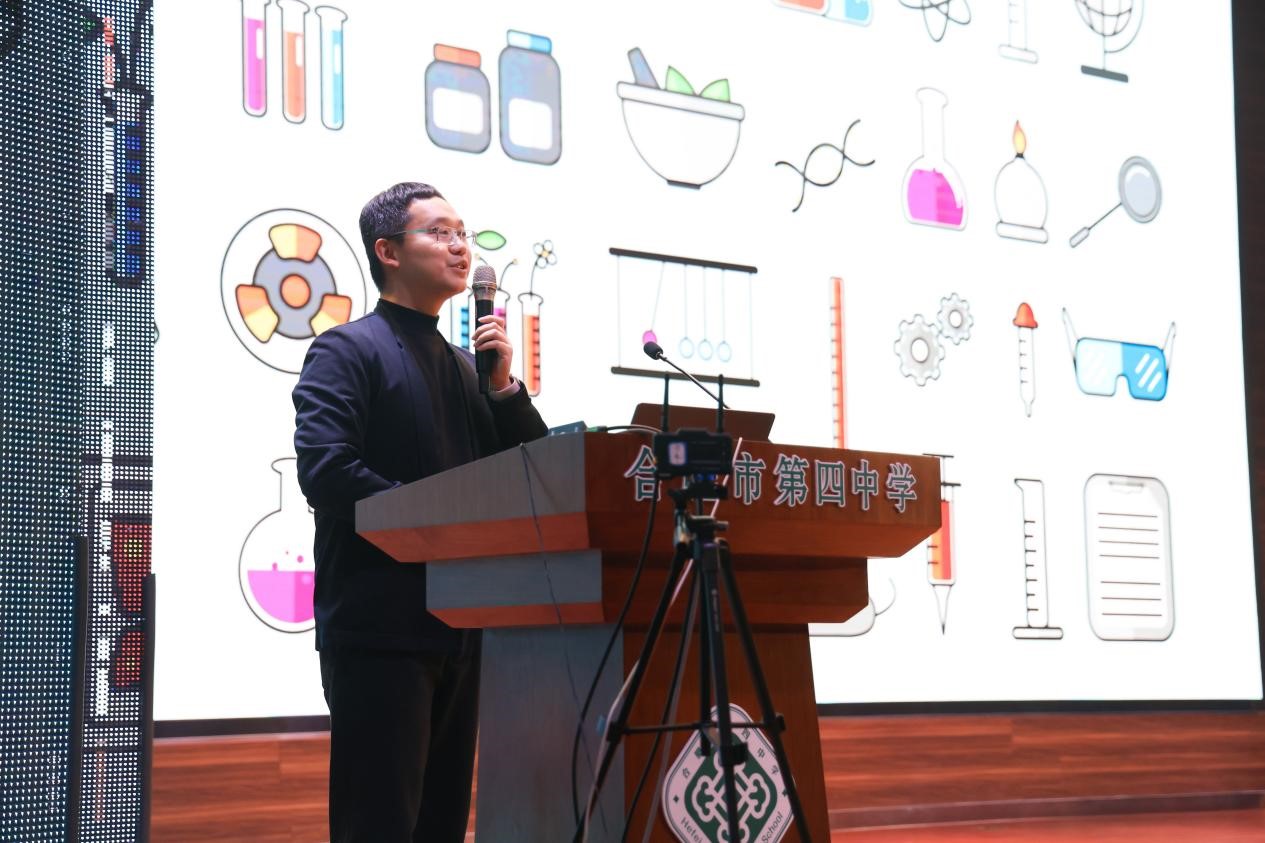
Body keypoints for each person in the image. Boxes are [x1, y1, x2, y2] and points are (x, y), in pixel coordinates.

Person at [292, 182, 548, 842]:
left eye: (463, 232)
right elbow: (327, 471)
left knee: (441, 826)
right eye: (439, 232)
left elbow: (535, 473)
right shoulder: (346, 350)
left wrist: (503, 388)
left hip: (462, 628)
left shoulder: (470, 370)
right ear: (388, 251)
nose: (460, 246)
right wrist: (440, 527)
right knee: (377, 824)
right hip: (380, 629)